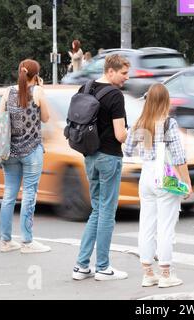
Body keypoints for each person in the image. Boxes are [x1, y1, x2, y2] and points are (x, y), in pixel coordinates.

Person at [124, 83, 192, 288]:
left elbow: (127, 150)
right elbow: (179, 157)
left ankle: (148, 273)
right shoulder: (168, 123)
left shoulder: (139, 122)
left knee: (146, 225)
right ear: (165, 101)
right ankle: (165, 274)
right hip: (165, 174)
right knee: (166, 226)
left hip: (146, 175)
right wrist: (187, 183)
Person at [72, 54, 130, 281]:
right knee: (107, 212)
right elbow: (120, 135)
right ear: (111, 71)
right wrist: (130, 130)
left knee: (96, 210)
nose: (127, 77)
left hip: (90, 157)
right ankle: (103, 267)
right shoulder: (115, 96)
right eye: (124, 73)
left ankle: (81, 265)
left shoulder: (85, 88)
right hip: (109, 157)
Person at [0, 59, 51, 253]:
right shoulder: (37, 92)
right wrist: (41, 90)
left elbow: (0, 120)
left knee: (9, 194)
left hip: (10, 151)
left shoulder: (7, 91)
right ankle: (27, 242)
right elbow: (46, 118)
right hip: (31, 151)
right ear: (36, 75)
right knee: (29, 194)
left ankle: (5, 241)